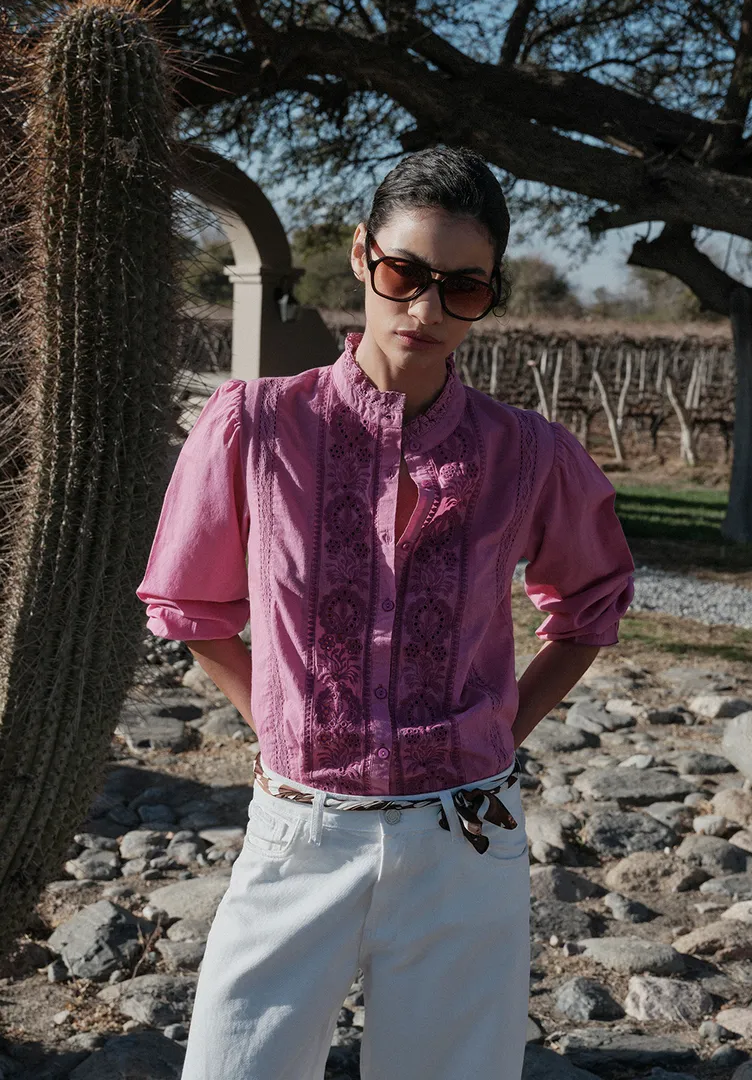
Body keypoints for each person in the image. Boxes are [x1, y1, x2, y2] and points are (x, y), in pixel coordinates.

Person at [135, 145, 635, 1080]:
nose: (427, 311)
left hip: (465, 840)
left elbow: (591, 607)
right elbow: (191, 606)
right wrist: (281, 725)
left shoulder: (529, 452)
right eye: (405, 274)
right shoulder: (256, 426)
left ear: (490, 293)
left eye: (464, 288)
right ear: (364, 254)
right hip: (301, 832)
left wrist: (500, 730)